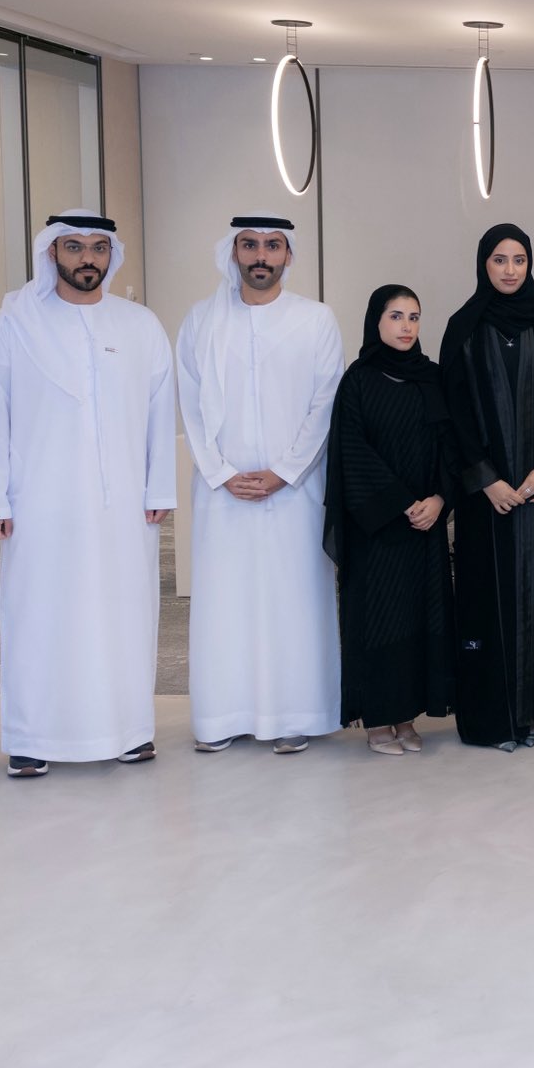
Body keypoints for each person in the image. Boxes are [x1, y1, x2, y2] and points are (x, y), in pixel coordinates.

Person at [0, 210, 177, 777]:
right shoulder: (15, 324)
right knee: (39, 615)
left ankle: (129, 730)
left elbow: (161, 412)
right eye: (74, 247)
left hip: (123, 506)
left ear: (111, 255)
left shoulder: (140, 325)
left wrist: (159, 485)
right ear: (51, 253)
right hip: (39, 503)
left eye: (98, 248)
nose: (87, 258)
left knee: (124, 612)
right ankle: (32, 737)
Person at [176, 214, 344, 756]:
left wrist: (285, 471)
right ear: (234, 252)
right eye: (249, 245)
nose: (261, 256)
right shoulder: (201, 320)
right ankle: (222, 716)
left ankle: (295, 713)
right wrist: (221, 471)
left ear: (288, 255)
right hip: (222, 492)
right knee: (225, 603)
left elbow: (326, 404)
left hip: (295, 492)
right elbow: (189, 404)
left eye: (272, 246)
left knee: (293, 601)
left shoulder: (315, 319)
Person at [440, 224, 534, 751]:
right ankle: (493, 719)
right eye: (499, 259)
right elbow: (452, 411)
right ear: (484, 264)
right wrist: (486, 480)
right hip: (486, 498)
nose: (509, 269)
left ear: (530, 264)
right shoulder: (464, 326)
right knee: (485, 598)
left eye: (519, 259)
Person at [323, 285, 458, 754]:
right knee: (381, 620)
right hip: (378, 528)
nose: (406, 326)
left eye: (414, 317)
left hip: (426, 525)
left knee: (420, 618)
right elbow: (352, 452)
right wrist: (402, 502)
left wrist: (439, 498)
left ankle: (407, 716)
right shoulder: (358, 381)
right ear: (375, 321)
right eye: (396, 316)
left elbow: (451, 446)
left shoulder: (432, 378)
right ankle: (379, 720)